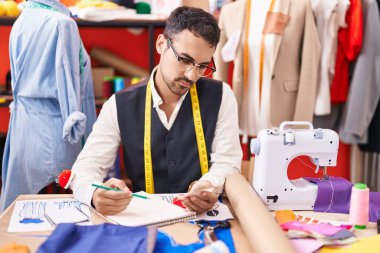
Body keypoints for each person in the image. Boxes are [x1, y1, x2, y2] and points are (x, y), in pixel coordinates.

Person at [69, 6, 242, 215]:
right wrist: (94, 193)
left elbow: (228, 162)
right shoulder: (118, 105)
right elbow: (85, 168)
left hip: (204, 216)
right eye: (185, 60)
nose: (191, 75)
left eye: (202, 66)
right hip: (143, 219)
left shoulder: (222, 96)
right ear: (161, 44)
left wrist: (208, 186)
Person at [0, 0, 96, 212]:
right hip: (58, 128)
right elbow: (66, 74)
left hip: (24, 129)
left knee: (23, 207)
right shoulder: (62, 24)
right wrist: (73, 116)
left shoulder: (22, 20)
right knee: (68, 204)